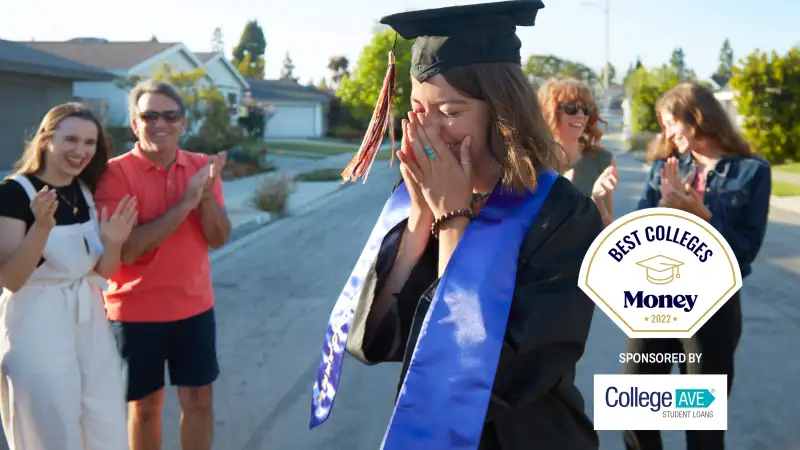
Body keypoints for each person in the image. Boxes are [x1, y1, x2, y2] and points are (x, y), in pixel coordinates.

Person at [310, 2, 602, 449]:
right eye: (416, 108)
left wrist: (451, 220)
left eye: (449, 110)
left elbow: (497, 378)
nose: (428, 129)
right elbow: (374, 339)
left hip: (530, 436)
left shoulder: (563, 215)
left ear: (501, 115)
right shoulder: (414, 199)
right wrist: (420, 222)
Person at [622, 82, 771, 450]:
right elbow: (639, 231)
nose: (667, 133)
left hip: (713, 305)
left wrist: (701, 214)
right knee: (635, 404)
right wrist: (663, 210)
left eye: (672, 122)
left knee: (701, 421)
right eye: (663, 125)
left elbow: (744, 252)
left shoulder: (752, 172)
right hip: (656, 302)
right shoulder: (664, 167)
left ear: (697, 117)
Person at [94, 80, 232, 450]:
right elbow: (128, 251)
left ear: (183, 124)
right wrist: (186, 202)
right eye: (149, 115)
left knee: (200, 402)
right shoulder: (114, 175)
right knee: (145, 408)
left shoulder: (203, 167)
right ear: (134, 124)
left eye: (170, 115)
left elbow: (218, 238)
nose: (160, 123)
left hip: (194, 306)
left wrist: (204, 199)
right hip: (135, 312)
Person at [0, 103, 137, 450]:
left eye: (89, 143)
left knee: (103, 421)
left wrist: (115, 242)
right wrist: (41, 228)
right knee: (51, 428)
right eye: (71, 140)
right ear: (46, 140)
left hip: (88, 322)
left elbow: (101, 271)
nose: (81, 151)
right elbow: (12, 279)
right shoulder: (14, 194)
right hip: (35, 323)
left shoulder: (85, 192)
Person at [538, 77, 619, 227]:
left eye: (586, 109)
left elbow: (607, 231)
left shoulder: (603, 160)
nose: (581, 115)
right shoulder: (533, 161)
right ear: (551, 112)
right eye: (571, 108)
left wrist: (597, 200)